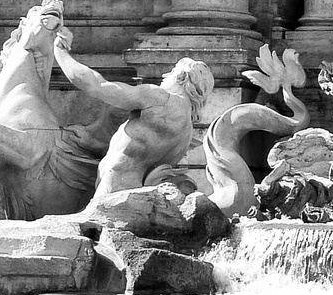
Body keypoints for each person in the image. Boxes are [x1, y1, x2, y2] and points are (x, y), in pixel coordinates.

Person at [52, 40, 213, 202]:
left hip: (115, 190)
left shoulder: (161, 98)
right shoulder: (186, 134)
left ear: (181, 76)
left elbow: (96, 85)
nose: (165, 77)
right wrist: (94, 144)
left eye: (170, 72)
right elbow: (139, 154)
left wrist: (60, 52)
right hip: (136, 195)